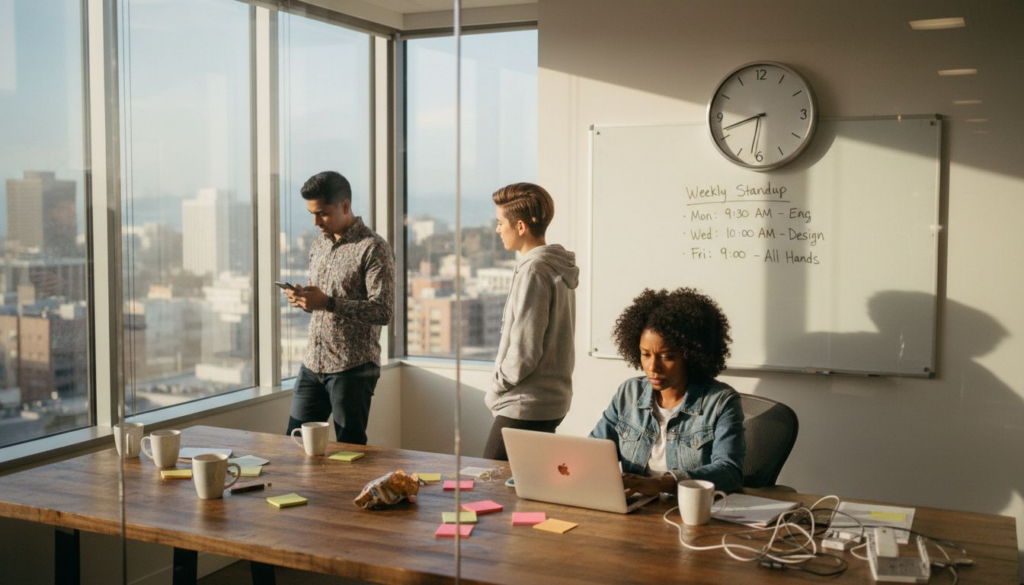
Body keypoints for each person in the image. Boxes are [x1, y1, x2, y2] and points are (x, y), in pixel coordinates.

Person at [590, 288, 745, 494]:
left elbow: (730, 472)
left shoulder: (721, 402)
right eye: (645, 354)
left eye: (666, 356)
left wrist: (662, 484)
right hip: (636, 510)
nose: (652, 367)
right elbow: (594, 452)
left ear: (691, 355)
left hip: (688, 511)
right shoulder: (629, 393)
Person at [283, 171, 394, 445]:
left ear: (345, 206)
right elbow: (321, 303)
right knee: (293, 446)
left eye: (321, 213)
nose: (315, 222)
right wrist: (305, 301)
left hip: (353, 369)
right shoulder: (318, 245)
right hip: (312, 365)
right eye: (311, 214)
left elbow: (382, 311)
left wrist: (327, 302)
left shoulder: (373, 248)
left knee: (350, 452)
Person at [483, 183, 579, 461]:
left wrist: (496, 387)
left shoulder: (535, 271)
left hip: (526, 404)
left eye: (501, 223)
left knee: (491, 478)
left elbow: (524, 352)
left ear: (521, 226)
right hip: (551, 400)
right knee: (526, 485)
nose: (498, 230)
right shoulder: (555, 266)